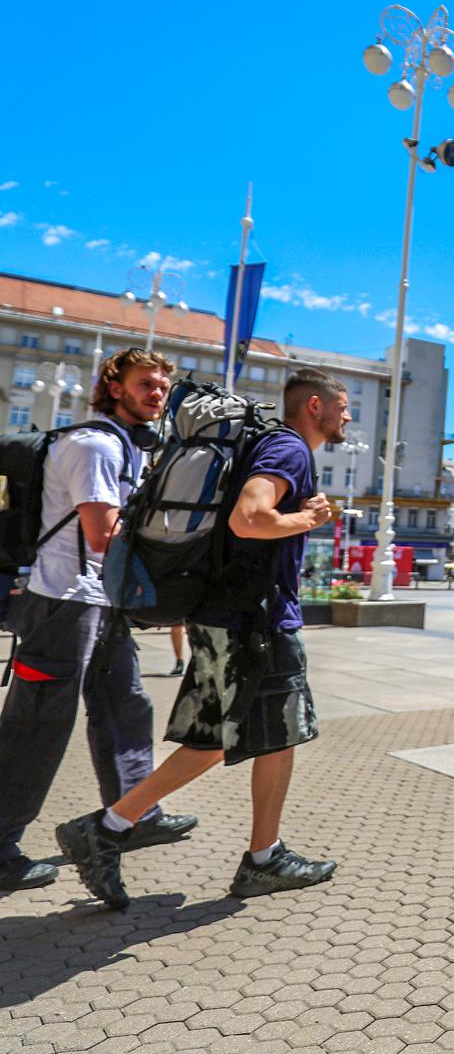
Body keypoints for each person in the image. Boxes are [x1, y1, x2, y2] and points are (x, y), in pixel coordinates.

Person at [57, 368, 348, 908]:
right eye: (343, 406)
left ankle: (109, 827)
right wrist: (306, 519)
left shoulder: (264, 445)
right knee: (281, 734)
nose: (347, 416)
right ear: (314, 406)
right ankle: (262, 859)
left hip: (222, 614)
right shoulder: (289, 449)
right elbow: (249, 518)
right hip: (256, 620)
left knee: (212, 740)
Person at [0, 349, 198, 894]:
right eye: (145, 384)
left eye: (162, 386)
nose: (156, 394)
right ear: (114, 387)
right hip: (62, 604)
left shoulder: (127, 447)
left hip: (100, 603)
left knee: (126, 705)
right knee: (37, 726)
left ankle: (134, 813)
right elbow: (102, 536)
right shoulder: (93, 446)